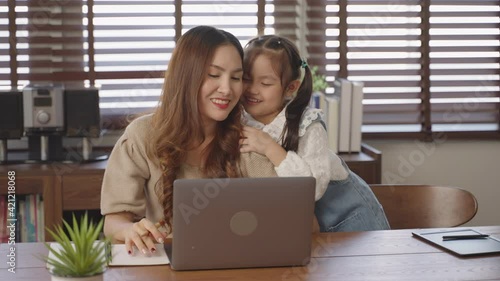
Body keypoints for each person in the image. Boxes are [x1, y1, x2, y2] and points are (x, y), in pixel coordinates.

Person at [100, 26, 276, 255]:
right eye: (213, 75)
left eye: (236, 77)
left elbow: (289, 214)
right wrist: (130, 230)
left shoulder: (249, 139)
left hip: (236, 263)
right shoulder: (142, 135)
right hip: (166, 266)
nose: (227, 89)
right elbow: (113, 223)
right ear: (185, 76)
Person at [239, 35, 390, 232]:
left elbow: (312, 189)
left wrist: (269, 147)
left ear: (290, 88)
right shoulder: (243, 120)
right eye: (246, 79)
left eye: (265, 84)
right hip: (307, 228)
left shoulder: (307, 124)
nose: (252, 90)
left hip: (352, 221)